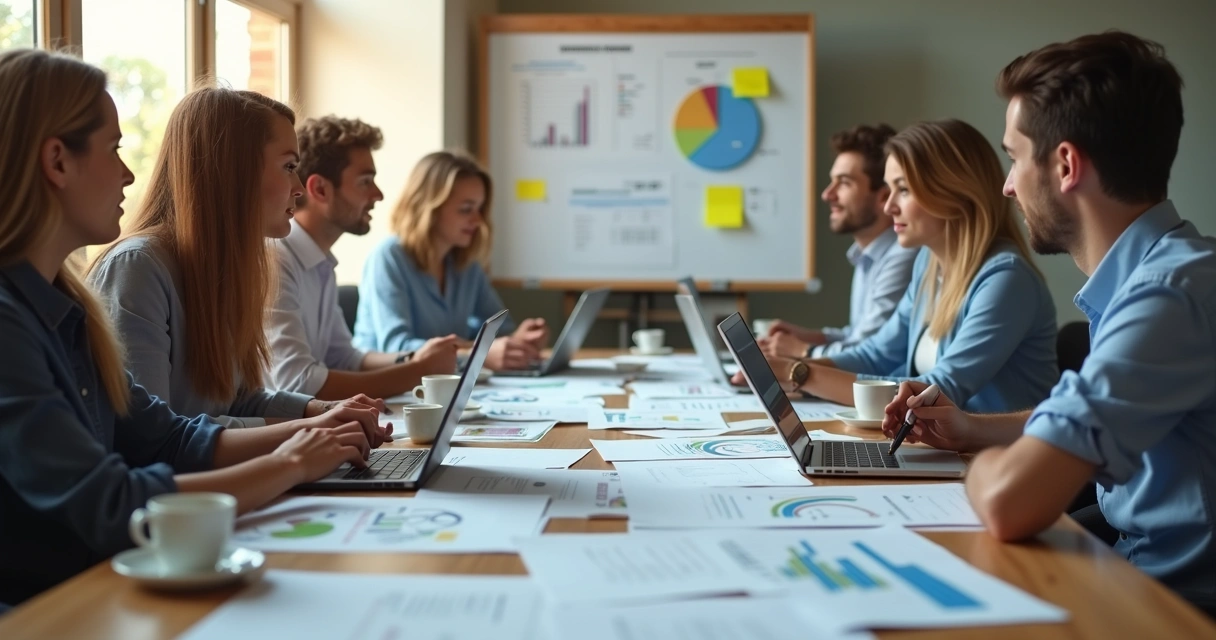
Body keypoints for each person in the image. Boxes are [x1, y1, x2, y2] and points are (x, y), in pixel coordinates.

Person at [0, 50, 380, 606]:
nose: (129, 172)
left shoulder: (66, 306)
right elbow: (112, 499)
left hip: (111, 582)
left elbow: (169, 435)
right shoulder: (17, 319)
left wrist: (315, 431)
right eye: (113, 149)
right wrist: (293, 459)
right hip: (53, 606)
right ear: (57, 162)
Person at [881, 31, 1216, 618]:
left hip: (1168, 607)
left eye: (1013, 156)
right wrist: (973, 430)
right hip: (1127, 568)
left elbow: (1009, 502)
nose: (1007, 184)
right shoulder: (1162, 276)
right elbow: (1098, 411)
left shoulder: (1166, 297)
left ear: (1064, 165)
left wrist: (989, 467)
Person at [88, 87, 387, 430]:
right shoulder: (138, 268)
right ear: (234, 171)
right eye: (289, 166)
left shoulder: (227, 269)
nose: (299, 187)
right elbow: (150, 436)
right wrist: (304, 432)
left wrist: (321, 411)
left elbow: (240, 400)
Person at [743, 119, 1058, 412]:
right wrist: (783, 366)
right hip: (946, 453)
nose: (889, 205)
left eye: (903, 190)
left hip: (991, 461)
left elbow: (935, 393)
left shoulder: (1006, 280)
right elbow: (876, 355)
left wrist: (797, 372)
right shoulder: (928, 264)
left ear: (954, 194)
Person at [266, 116, 458, 400]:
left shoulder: (320, 262)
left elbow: (344, 357)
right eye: (365, 181)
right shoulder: (276, 260)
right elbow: (299, 383)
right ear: (320, 189)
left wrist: (415, 357)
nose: (378, 194)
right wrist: (419, 371)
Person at [352, 150, 549, 371]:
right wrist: (477, 353)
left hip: (444, 386)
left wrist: (518, 342)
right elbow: (397, 348)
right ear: (429, 208)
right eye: (466, 209)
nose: (478, 220)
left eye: (479, 209)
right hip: (386, 389)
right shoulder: (388, 258)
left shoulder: (466, 264)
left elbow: (497, 331)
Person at [761, 124, 917, 358]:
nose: (827, 194)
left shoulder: (903, 256)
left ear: (883, 196)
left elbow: (867, 351)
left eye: (844, 182)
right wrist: (810, 336)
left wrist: (803, 351)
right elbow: (857, 334)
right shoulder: (867, 255)